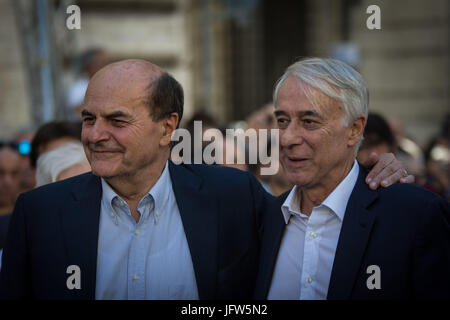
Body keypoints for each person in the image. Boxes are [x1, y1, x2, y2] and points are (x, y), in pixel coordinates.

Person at [0, 59, 411, 300]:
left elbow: (317, 204)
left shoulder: (230, 197)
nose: (95, 134)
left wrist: (373, 174)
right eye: (89, 119)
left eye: (117, 121)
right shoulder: (39, 214)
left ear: (167, 128)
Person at [255, 58, 450, 300]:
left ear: (355, 129)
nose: (287, 139)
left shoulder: (414, 216)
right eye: (283, 121)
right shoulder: (264, 220)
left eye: (309, 122)